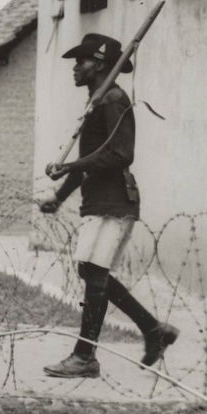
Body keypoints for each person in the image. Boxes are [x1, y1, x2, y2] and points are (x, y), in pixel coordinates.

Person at [39, 33, 178, 378]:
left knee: (94, 272)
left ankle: (86, 356)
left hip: (115, 201)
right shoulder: (96, 102)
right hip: (99, 201)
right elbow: (89, 161)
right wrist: (59, 195)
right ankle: (151, 329)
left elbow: (120, 154)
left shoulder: (114, 99)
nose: (75, 68)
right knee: (91, 271)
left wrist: (69, 167)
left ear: (99, 64)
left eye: (81, 61)